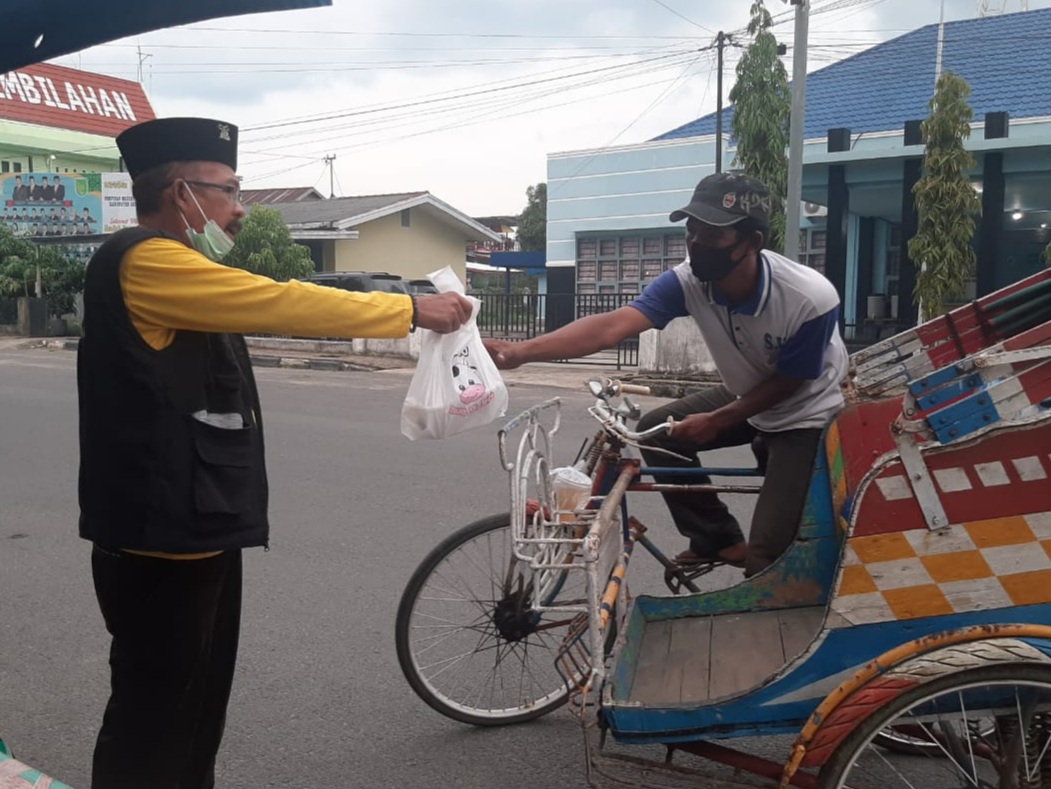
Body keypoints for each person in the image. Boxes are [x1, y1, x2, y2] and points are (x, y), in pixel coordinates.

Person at [77, 116, 472, 789]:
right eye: (230, 191)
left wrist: (387, 293)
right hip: (157, 539)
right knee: (153, 718)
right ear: (181, 193)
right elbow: (281, 301)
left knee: (196, 713)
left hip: (196, 529)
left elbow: (303, 293)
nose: (239, 208)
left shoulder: (189, 270)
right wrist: (406, 310)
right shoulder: (143, 259)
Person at [485, 172, 847, 578]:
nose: (696, 245)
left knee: (768, 562)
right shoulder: (688, 282)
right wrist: (520, 352)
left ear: (752, 242)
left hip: (805, 413)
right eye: (692, 231)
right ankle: (717, 538)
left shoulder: (808, 298)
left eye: (713, 236)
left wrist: (718, 419)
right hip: (748, 394)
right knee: (657, 431)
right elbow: (612, 326)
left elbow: (793, 381)